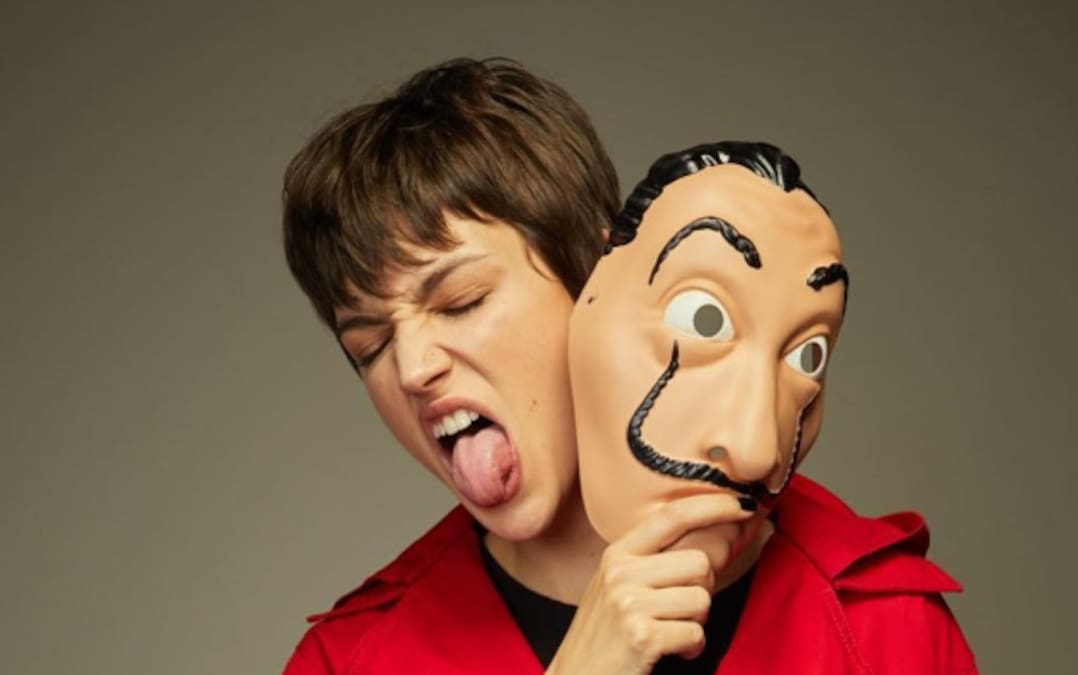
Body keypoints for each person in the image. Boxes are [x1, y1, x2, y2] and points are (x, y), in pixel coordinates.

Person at [280, 59, 755, 674]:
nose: (412, 370)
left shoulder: (867, 612)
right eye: (371, 346)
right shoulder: (343, 663)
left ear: (604, 282)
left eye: (462, 301)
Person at [564, 142, 979, 673]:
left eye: (809, 356)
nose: (759, 451)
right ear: (589, 285)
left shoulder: (895, 630)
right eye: (704, 318)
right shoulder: (447, 618)